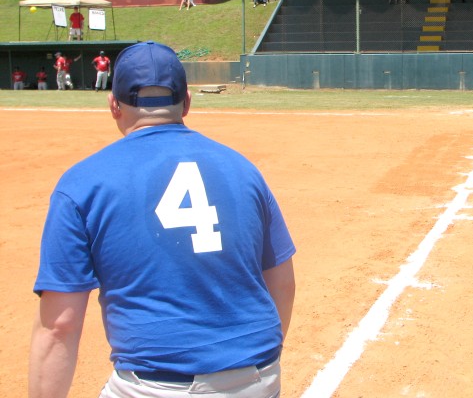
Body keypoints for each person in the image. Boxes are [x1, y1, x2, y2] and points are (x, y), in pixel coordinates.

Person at [29, 41, 296, 398]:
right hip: (258, 379)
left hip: (155, 386)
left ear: (114, 106)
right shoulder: (244, 170)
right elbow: (282, 283)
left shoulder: (82, 183)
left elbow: (59, 326)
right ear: (186, 102)